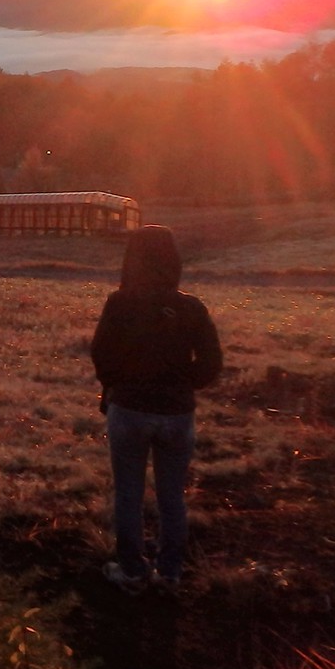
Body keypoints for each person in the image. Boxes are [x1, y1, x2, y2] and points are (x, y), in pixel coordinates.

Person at [90, 226, 221, 595]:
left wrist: (116, 385)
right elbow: (212, 362)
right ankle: (170, 572)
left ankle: (131, 570)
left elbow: (101, 353)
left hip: (129, 408)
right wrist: (183, 386)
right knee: (172, 495)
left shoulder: (119, 303)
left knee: (128, 493)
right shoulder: (191, 307)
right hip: (177, 414)